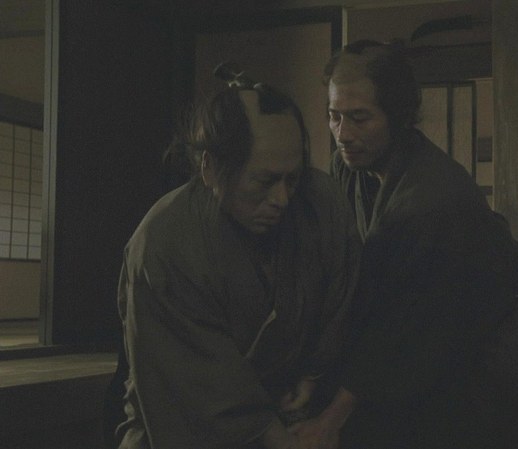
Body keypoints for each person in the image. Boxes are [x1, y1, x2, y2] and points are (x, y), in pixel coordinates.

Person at [289, 40, 518, 449]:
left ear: (399, 115)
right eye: (334, 116)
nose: (343, 134)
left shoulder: (433, 199)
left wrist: (331, 419)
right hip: (417, 341)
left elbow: (408, 328)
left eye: (359, 118)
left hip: (482, 351)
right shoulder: (351, 165)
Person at [114, 72, 361, 448]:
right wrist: (275, 437)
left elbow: (343, 303)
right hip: (186, 424)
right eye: (264, 181)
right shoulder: (164, 241)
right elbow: (196, 382)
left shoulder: (321, 202)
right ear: (210, 167)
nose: (282, 198)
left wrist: (313, 377)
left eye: (292, 179)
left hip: (292, 416)